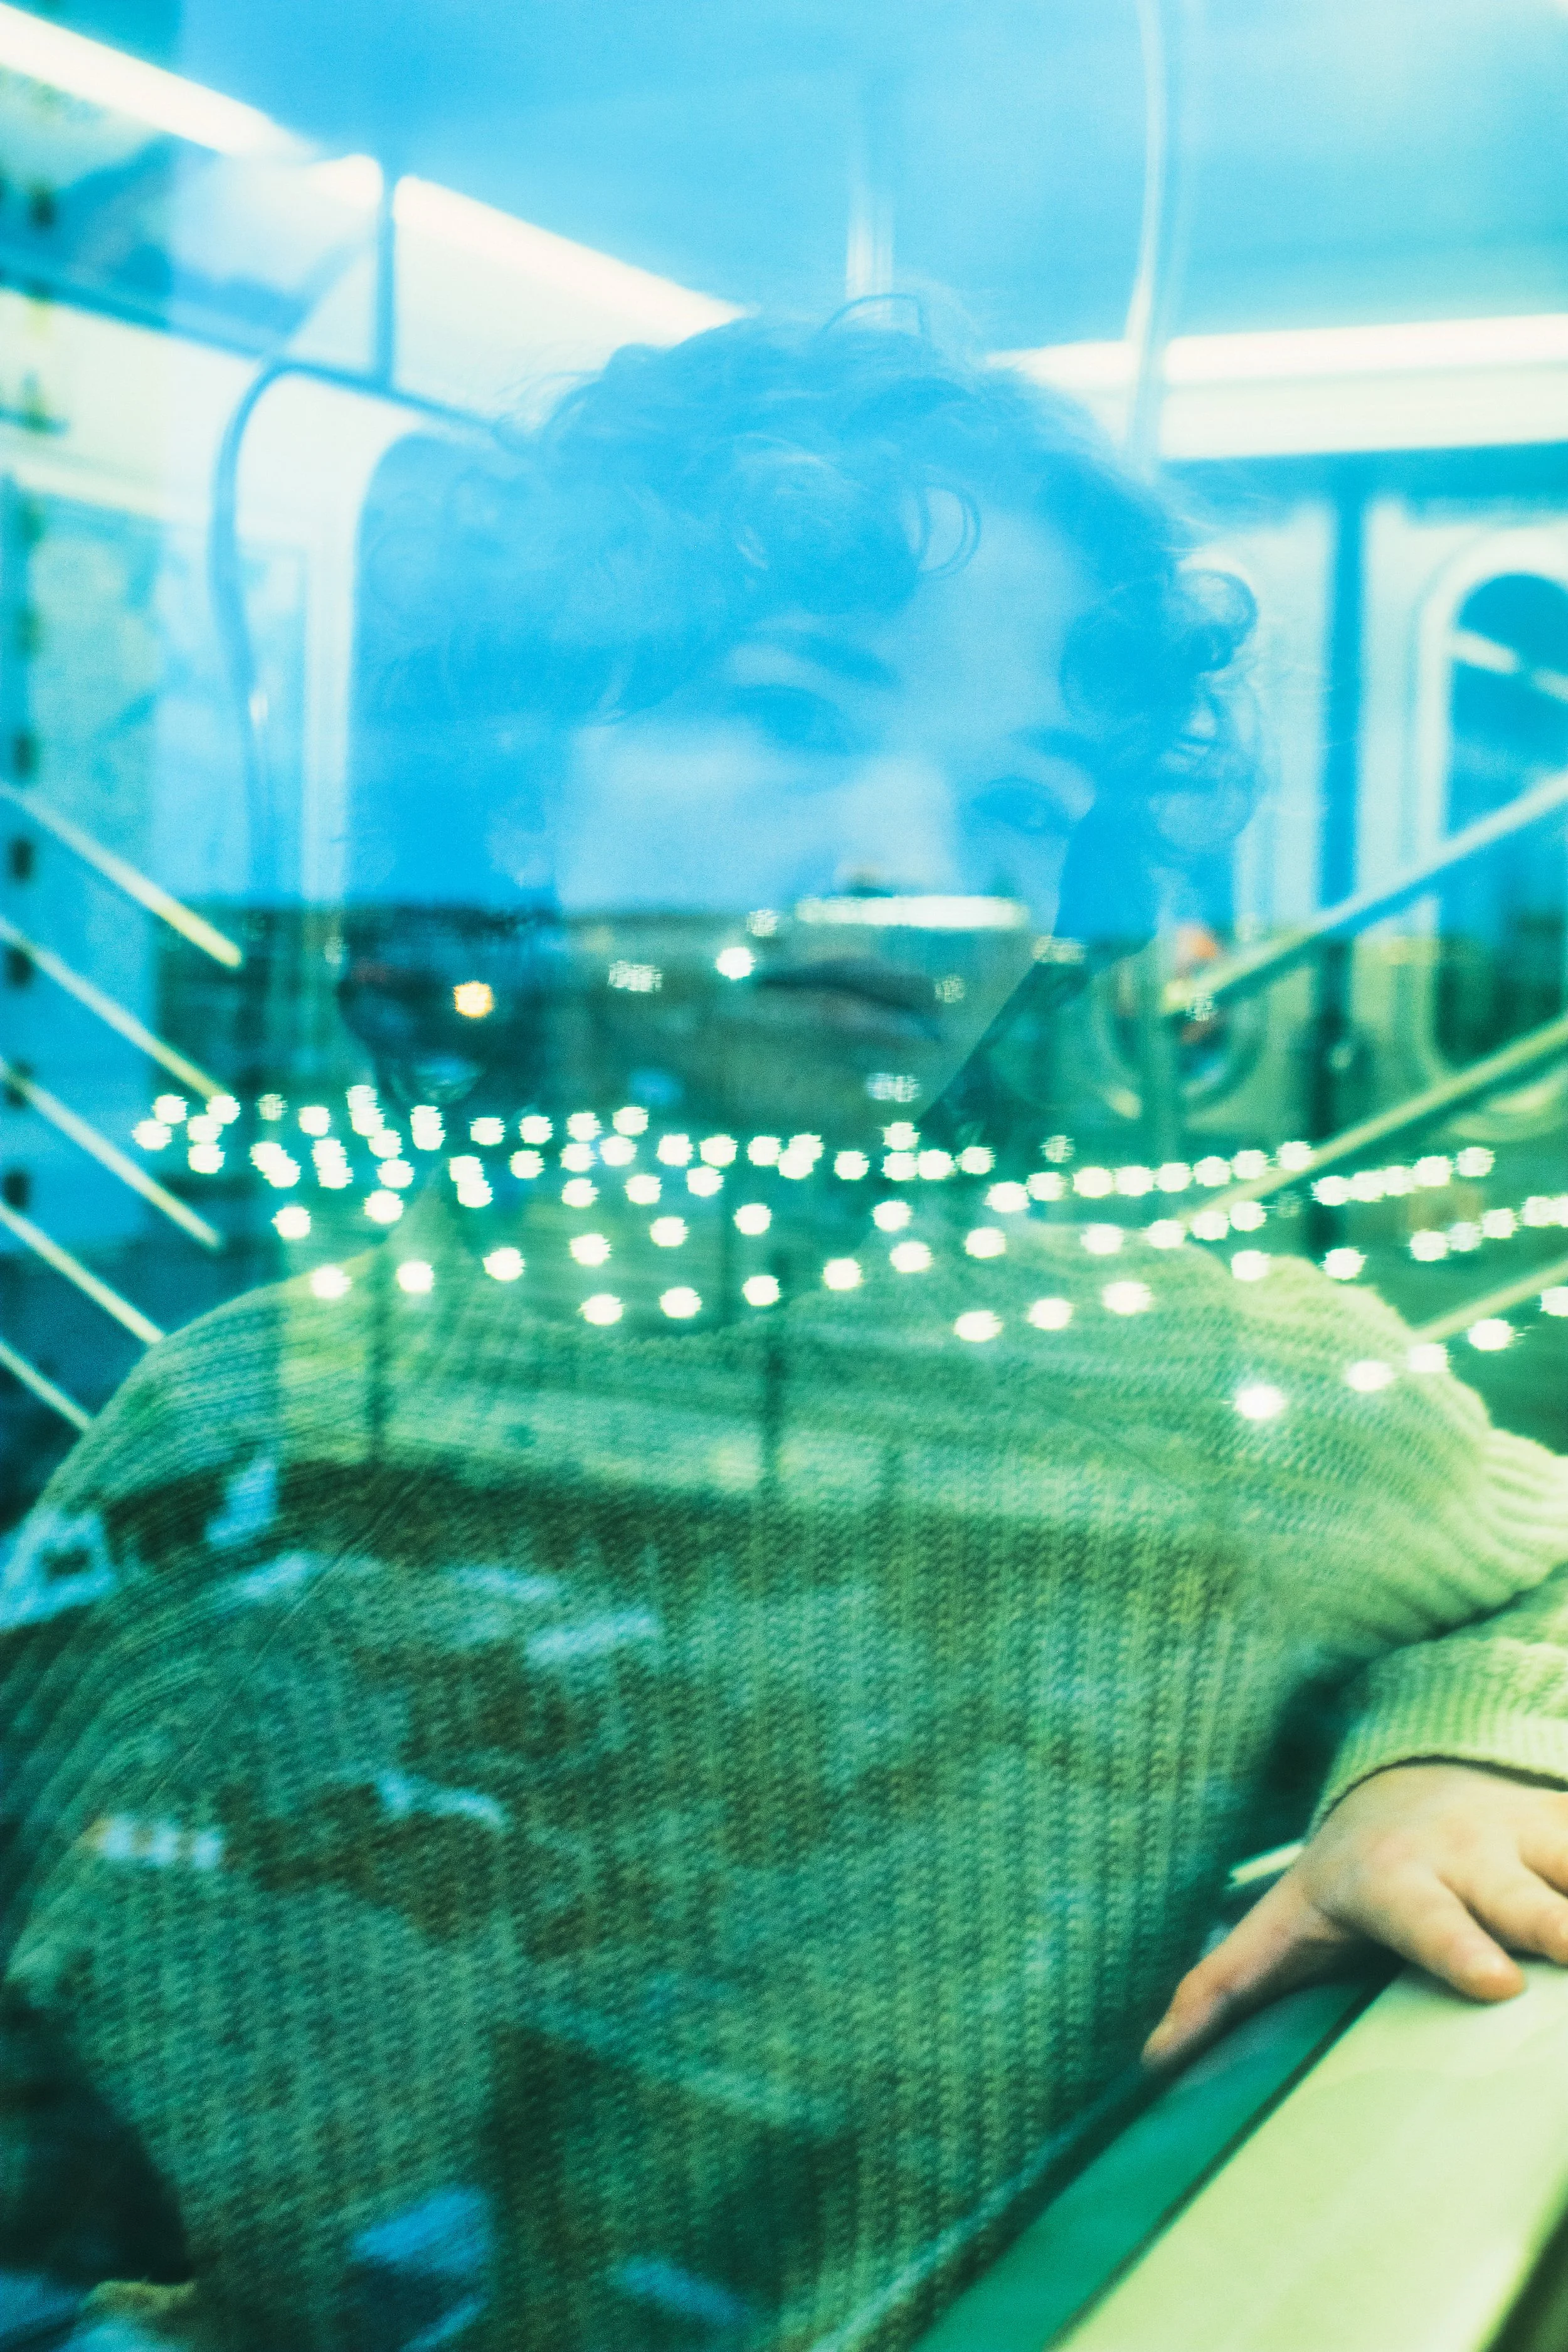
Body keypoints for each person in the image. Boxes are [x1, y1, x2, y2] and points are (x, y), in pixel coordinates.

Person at [3, 311, 1567, 2352]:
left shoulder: (1212, 1389)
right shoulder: (250, 1416)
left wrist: (1445, 1762)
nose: (912, 873)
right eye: (786, 719)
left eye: (1019, 804)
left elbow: (1528, 1570)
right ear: (518, 800)